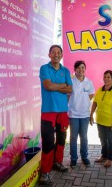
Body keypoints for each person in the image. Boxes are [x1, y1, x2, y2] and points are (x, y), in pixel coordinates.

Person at [39, 45, 72, 184]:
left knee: (61, 139)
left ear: (62, 55)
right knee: (47, 142)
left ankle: (58, 162)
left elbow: (70, 89)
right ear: (49, 55)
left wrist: (55, 86)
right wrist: (61, 86)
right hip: (48, 111)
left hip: (63, 112)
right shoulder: (44, 68)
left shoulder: (66, 70)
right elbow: (47, 86)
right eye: (53, 52)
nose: (56, 54)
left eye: (59, 52)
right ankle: (45, 173)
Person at [90, 70, 112, 168]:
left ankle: (110, 159)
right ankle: (104, 155)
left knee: (111, 140)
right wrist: (91, 114)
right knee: (103, 139)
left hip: (111, 122)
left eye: (108, 77)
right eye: (105, 77)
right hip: (100, 121)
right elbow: (95, 103)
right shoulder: (100, 90)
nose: (106, 79)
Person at [68, 61, 95, 167]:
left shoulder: (89, 82)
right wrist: (74, 104)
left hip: (85, 115)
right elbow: (68, 96)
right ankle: (73, 158)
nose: (81, 70)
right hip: (73, 114)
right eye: (78, 68)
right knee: (73, 137)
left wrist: (83, 102)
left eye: (83, 68)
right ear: (75, 70)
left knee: (84, 136)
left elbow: (91, 94)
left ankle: (84, 157)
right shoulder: (70, 81)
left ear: (85, 69)